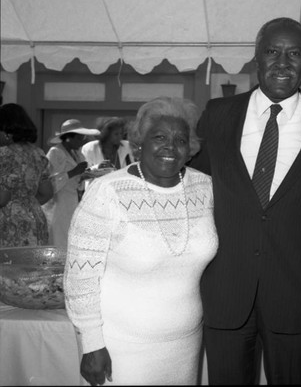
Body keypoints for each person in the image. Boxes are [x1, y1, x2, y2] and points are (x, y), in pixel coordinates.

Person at [189, 17, 301, 384]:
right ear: (256, 58)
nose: (282, 62)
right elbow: (192, 187)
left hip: (296, 295)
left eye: (294, 53)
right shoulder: (217, 115)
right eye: (272, 52)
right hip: (226, 291)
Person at [63, 97, 218, 386]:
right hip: (120, 347)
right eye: (159, 137)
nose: (170, 146)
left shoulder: (205, 187)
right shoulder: (108, 191)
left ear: (191, 148)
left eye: (180, 139)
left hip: (185, 344)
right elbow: (80, 274)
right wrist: (91, 343)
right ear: (138, 144)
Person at [0, 103, 53, 247]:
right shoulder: (38, 154)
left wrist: (15, 206)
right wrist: (25, 203)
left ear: (6, 133)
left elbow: (2, 199)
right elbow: (47, 192)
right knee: (31, 268)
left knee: (9, 268)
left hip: (9, 224)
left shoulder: (3, 155)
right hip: (36, 220)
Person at [42, 119, 99, 249]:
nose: (82, 141)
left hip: (73, 204)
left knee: (70, 242)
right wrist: (73, 172)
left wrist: (85, 175)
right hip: (58, 207)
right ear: (68, 138)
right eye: (79, 138)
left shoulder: (76, 153)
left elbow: (76, 181)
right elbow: (49, 183)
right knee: (58, 242)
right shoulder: (55, 152)